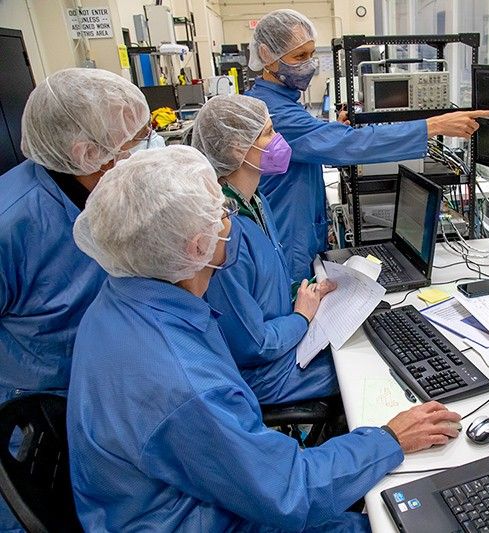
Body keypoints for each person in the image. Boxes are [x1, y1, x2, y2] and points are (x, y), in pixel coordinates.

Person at [67, 146, 462, 531]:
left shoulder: (120, 300)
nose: (229, 219)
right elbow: (290, 492)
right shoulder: (184, 383)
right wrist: (390, 439)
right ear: (197, 246)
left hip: (175, 498)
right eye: (221, 214)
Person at [0, 67, 150, 531]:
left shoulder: (99, 190)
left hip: (96, 393)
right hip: (33, 410)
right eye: (127, 148)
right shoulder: (13, 222)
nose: (136, 157)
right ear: (85, 153)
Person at [247, 9, 489, 281]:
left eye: (311, 54)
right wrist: (432, 126)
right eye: (299, 57)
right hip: (290, 240)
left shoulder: (279, 101)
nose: (310, 64)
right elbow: (348, 144)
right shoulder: (274, 112)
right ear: (267, 55)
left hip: (296, 232)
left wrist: (329, 131)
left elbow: (309, 143)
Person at [192, 94, 339, 404]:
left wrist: (308, 294)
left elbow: (265, 288)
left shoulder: (254, 200)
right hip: (262, 374)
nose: (279, 140)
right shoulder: (224, 229)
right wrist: (301, 318)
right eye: (269, 132)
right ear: (237, 148)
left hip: (282, 342)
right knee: (357, 368)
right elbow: (252, 344)